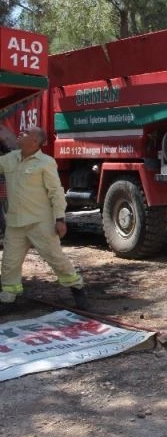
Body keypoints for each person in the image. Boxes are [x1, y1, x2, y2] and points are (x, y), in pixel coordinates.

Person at [0, 127, 89, 314]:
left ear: (35, 141)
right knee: (9, 263)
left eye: (24, 133)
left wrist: (60, 219)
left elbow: (56, 193)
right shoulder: (10, 159)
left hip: (40, 223)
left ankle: (77, 288)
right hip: (16, 223)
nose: (19, 133)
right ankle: (8, 299)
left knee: (56, 259)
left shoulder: (45, 163)